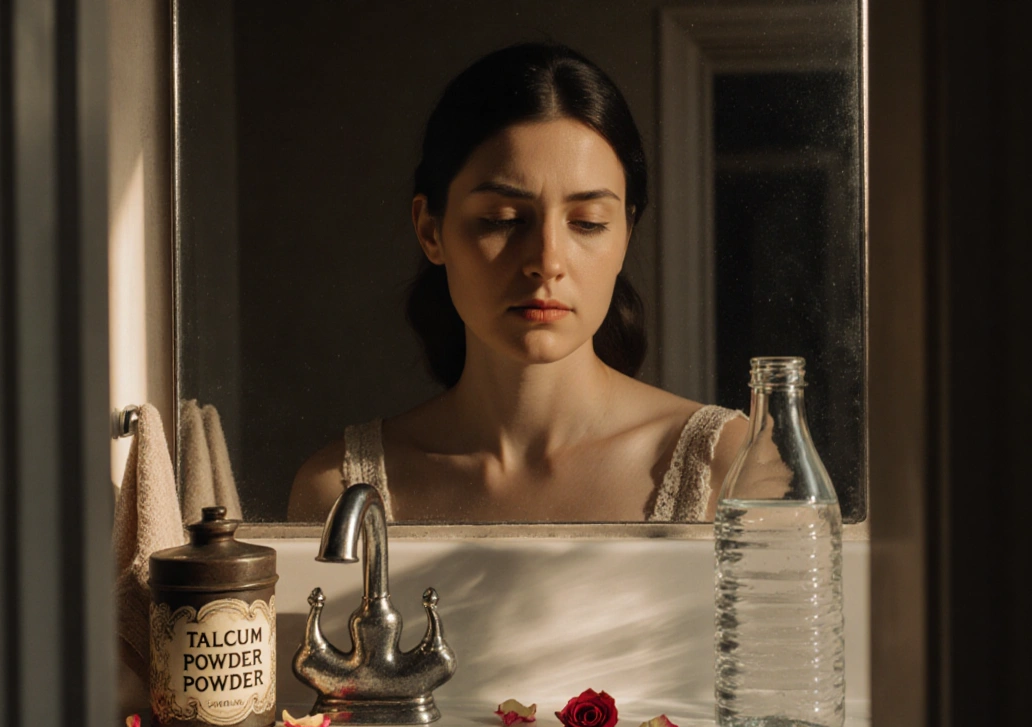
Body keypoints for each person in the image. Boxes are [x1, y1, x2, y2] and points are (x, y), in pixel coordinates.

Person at [288, 42, 751, 524]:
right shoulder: (338, 489)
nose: (546, 261)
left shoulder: (731, 466)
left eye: (588, 222)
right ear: (430, 231)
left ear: (625, 235)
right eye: (504, 219)